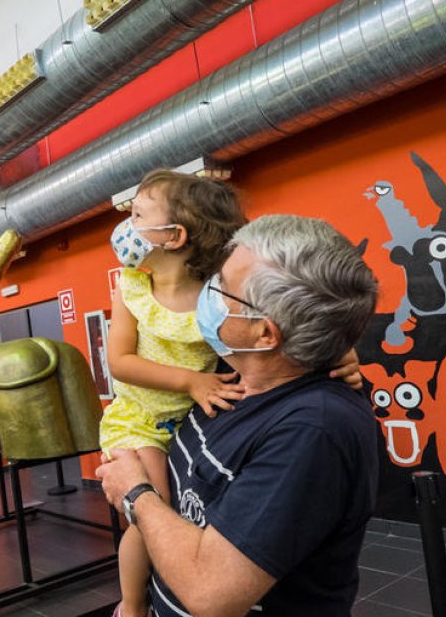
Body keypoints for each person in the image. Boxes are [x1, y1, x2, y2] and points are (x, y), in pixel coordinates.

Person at [101, 173, 360, 617]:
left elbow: (214, 594)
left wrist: (136, 493)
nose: (212, 295)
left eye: (223, 288)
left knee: (151, 511)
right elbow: (120, 361)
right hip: (142, 416)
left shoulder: (311, 429)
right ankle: (132, 603)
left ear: (264, 331)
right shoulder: (234, 360)